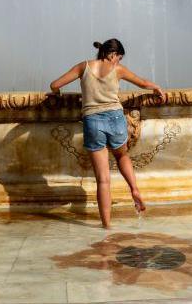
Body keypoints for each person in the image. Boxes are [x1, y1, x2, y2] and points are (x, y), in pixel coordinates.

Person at [49, 39, 163, 228]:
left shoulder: (83, 67)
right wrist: (156, 87)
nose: (118, 62)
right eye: (119, 58)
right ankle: (134, 189)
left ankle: (106, 227)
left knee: (103, 180)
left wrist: (57, 93)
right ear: (112, 54)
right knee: (122, 155)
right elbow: (142, 83)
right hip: (116, 119)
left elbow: (54, 84)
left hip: (93, 121)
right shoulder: (118, 70)